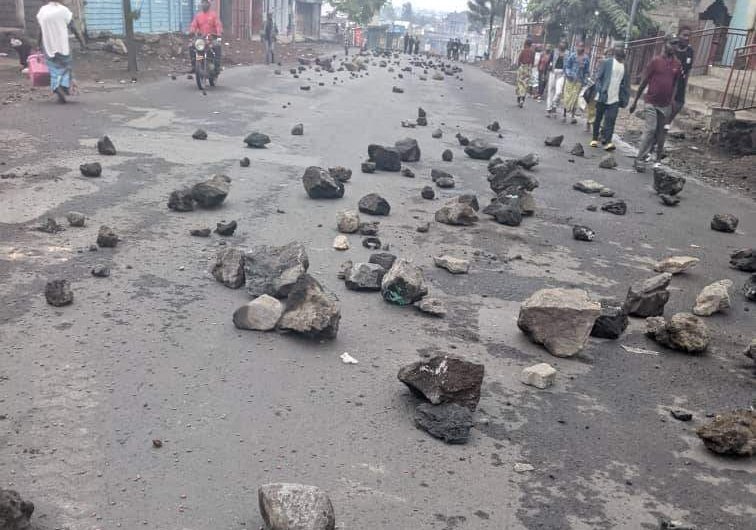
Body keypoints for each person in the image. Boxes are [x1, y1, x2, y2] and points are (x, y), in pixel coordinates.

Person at [629, 36, 682, 169]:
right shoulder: (655, 61)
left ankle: (649, 156)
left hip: (665, 104)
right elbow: (645, 81)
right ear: (665, 44)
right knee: (650, 129)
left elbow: (675, 84)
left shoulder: (677, 64)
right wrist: (635, 101)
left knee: (659, 133)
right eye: (672, 44)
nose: (675, 47)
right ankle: (639, 159)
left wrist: (673, 99)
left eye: (677, 44)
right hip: (651, 101)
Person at [36, 0, 85, 104]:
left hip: (48, 46)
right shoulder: (64, 10)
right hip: (63, 46)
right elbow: (74, 28)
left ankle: (57, 87)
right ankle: (62, 87)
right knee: (65, 68)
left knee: (53, 68)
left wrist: (38, 44)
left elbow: (40, 30)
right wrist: (82, 42)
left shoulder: (42, 11)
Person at [590, 46, 629, 151]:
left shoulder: (624, 66)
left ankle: (608, 141)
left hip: (615, 97)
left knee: (611, 119)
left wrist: (625, 97)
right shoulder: (607, 63)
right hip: (603, 95)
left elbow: (625, 83)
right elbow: (598, 78)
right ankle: (594, 139)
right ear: (616, 54)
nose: (621, 58)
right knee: (598, 118)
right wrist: (600, 90)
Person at [189, 0, 223, 71]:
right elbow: (193, 25)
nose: (204, 4)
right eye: (203, 2)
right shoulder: (198, 16)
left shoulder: (213, 15)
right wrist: (191, 31)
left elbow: (218, 25)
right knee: (192, 46)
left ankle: (217, 66)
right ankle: (194, 65)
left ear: (209, 4)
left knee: (217, 46)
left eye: (206, 3)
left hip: (212, 38)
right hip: (201, 38)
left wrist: (219, 34)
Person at [670, 26, 694, 124]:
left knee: (679, 104)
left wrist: (685, 85)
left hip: (680, 84)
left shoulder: (690, 51)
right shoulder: (671, 49)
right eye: (684, 35)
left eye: (689, 36)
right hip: (669, 83)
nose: (687, 38)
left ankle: (667, 123)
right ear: (679, 35)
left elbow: (688, 70)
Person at [562, 41, 590, 124]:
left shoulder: (586, 58)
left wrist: (585, 81)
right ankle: (564, 114)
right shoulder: (572, 56)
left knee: (575, 99)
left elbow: (586, 71)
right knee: (567, 97)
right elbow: (567, 67)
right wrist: (569, 74)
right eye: (579, 46)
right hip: (570, 80)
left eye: (582, 47)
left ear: (583, 48)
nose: (580, 48)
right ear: (576, 47)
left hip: (579, 81)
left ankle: (572, 116)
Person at [545, 41, 567, 117]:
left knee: (558, 92)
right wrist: (547, 70)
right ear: (559, 44)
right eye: (561, 43)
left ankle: (554, 104)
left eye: (564, 43)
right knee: (551, 90)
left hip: (562, 74)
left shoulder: (567, 53)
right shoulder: (554, 51)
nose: (562, 44)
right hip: (553, 72)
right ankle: (549, 109)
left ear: (566, 45)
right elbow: (549, 61)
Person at [516, 39, 535, 108]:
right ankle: (523, 99)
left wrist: (518, 67)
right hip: (528, 69)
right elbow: (532, 62)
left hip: (522, 68)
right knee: (525, 84)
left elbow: (519, 60)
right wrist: (530, 69)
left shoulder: (523, 51)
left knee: (519, 83)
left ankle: (519, 99)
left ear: (526, 44)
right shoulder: (532, 52)